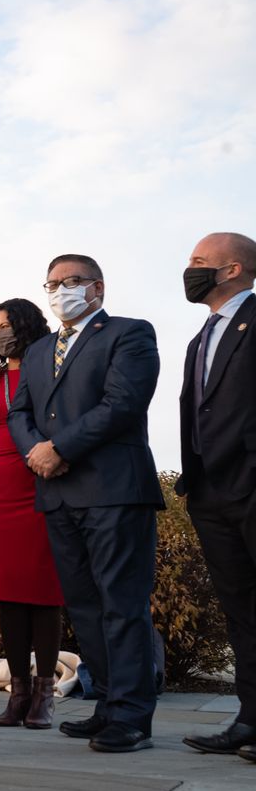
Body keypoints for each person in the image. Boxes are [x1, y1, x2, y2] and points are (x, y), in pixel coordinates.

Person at [8, 254, 162, 753]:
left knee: (122, 605)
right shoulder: (38, 352)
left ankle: (133, 715)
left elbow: (122, 404)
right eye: (51, 284)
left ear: (96, 287)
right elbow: (20, 412)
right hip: (57, 495)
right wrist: (36, 450)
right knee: (86, 607)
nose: (59, 291)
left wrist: (61, 449)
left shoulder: (128, 333)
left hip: (113, 491)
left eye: (70, 282)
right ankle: (108, 705)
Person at [0, 299, 64, 729]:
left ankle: (45, 693)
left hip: (43, 481)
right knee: (7, 593)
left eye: (6, 325)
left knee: (44, 592)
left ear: (26, 326)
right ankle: (18, 692)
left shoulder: (54, 372)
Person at [175, 233, 256, 760]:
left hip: (251, 484)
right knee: (241, 610)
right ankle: (251, 719)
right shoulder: (201, 337)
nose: (190, 269)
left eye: (199, 262)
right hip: (211, 492)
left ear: (232, 269)